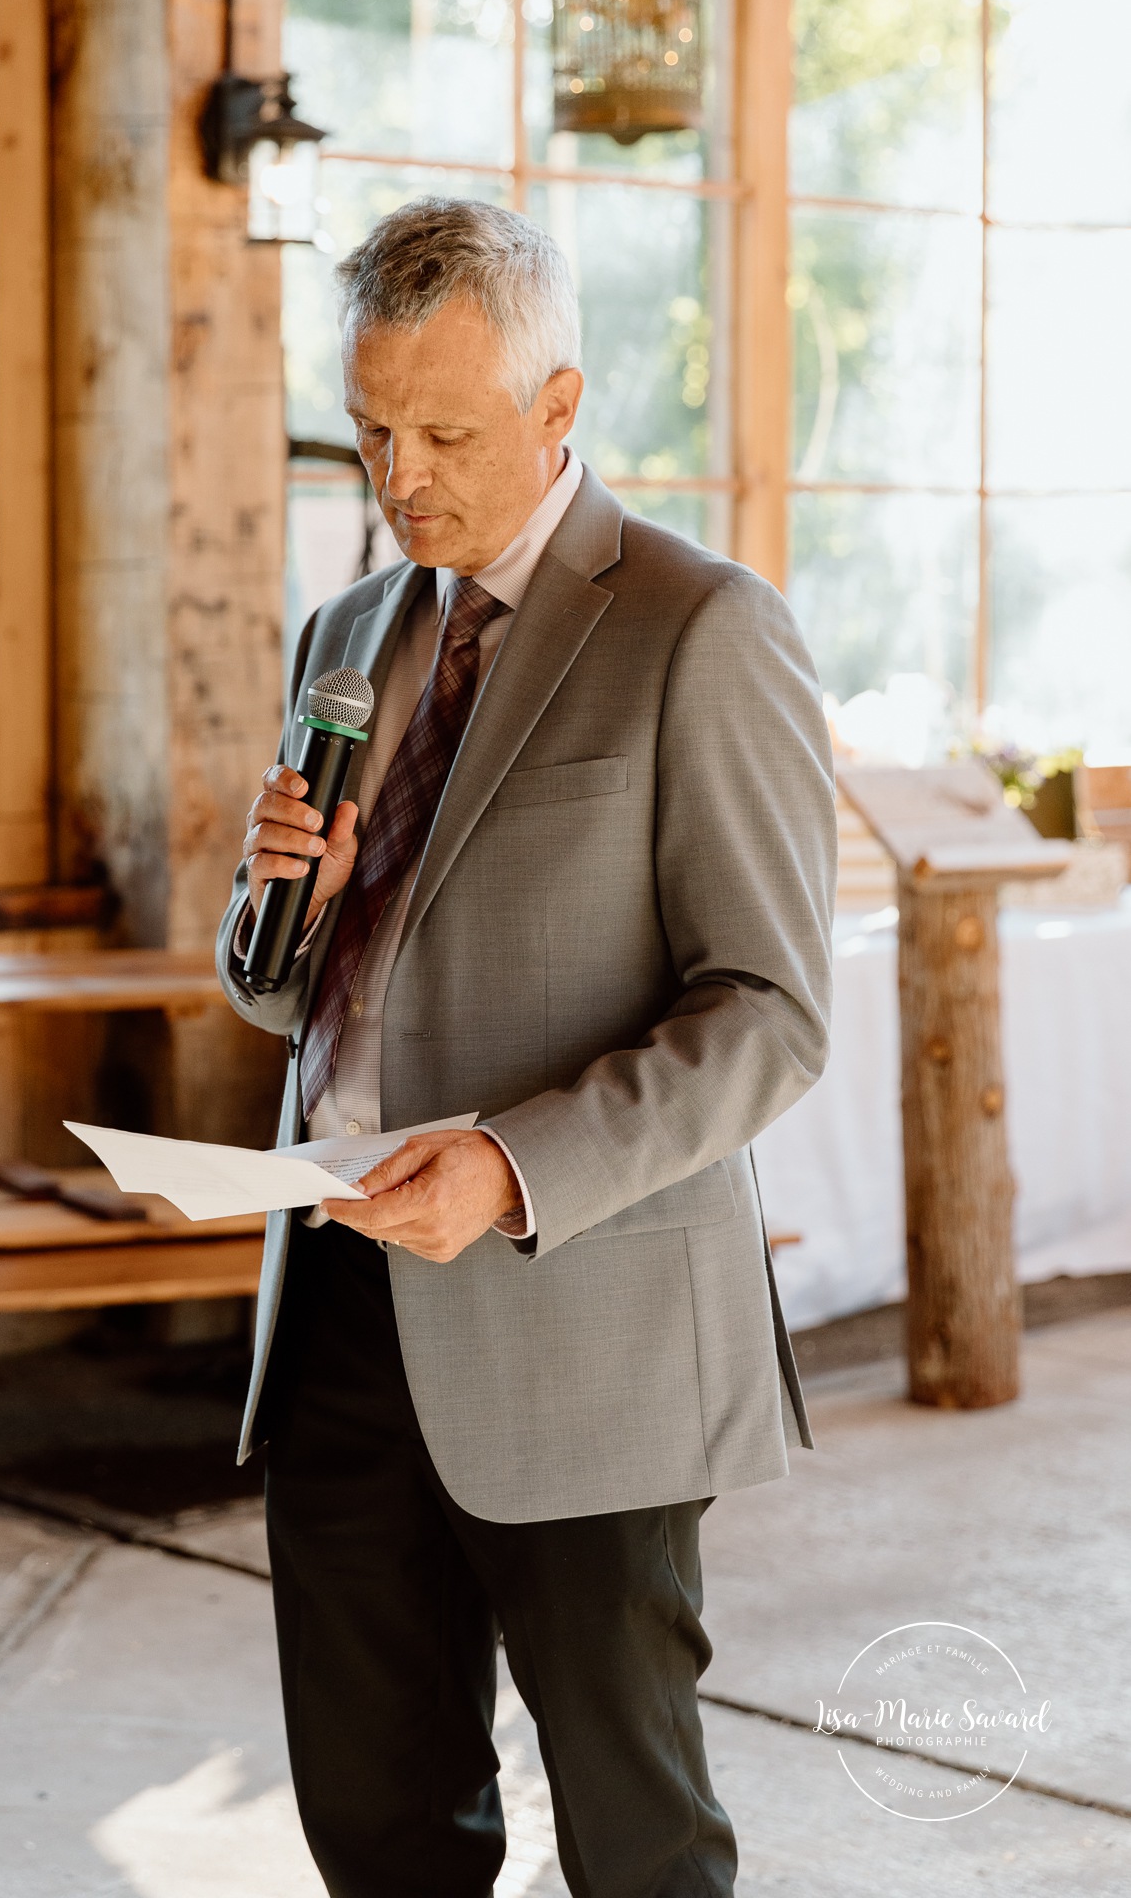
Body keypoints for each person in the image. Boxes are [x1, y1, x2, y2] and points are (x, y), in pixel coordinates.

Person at [218, 197, 836, 1898]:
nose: (397, 477)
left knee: (634, 1838)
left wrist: (509, 1166)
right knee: (375, 1820)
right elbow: (282, 996)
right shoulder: (346, 635)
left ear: (559, 406)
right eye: (367, 429)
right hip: (337, 1294)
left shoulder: (699, 628)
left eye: (443, 432)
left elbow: (771, 1015)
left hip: (584, 1320)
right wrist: (284, 906)